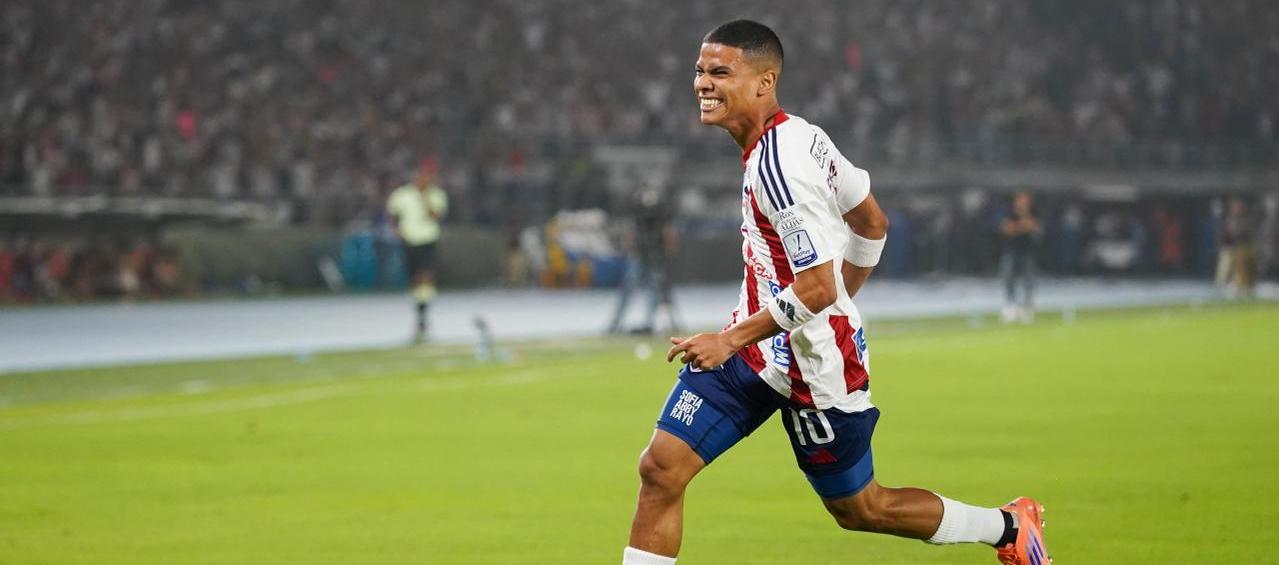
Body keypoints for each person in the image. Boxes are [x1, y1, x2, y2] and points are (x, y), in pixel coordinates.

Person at [621, 21, 1048, 565]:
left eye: (720, 72)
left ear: (763, 81)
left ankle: (1008, 527)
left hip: (817, 366)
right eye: (700, 70)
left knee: (860, 508)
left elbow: (819, 286)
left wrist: (745, 334)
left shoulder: (779, 166)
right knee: (660, 469)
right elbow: (871, 223)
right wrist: (831, 300)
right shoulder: (803, 135)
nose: (703, 83)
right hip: (759, 351)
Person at [387, 160, 449, 342]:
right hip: (410, 240)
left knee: (426, 275)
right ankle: (420, 311)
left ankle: (423, 317)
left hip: (428, 239)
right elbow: (393, 214)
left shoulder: (436, 195)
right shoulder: (402, 195)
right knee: (415, 280)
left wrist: (425, 198)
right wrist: (396, 230)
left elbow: (436, 216)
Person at [607, 187, 681, 335]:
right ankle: (616, 324)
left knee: (654, 290)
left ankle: (648, 323)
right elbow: (633, 231)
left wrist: (667, 247)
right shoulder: (640, 214)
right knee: (631, 288)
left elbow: (667, 233)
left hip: (652, 254)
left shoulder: (660, 213)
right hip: (641, 254)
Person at [998, 192, 1042, 323]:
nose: (1023, 202)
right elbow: (1006, 229)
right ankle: (1011, 304)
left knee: (1029, 278)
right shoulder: (1009, 212)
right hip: (1011, 250)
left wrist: (1019, 226)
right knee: (1008, 276)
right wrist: (1023, 226)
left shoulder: (1034, 212)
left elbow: (1034, 226)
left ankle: (1028, 304)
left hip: (1027, 250)